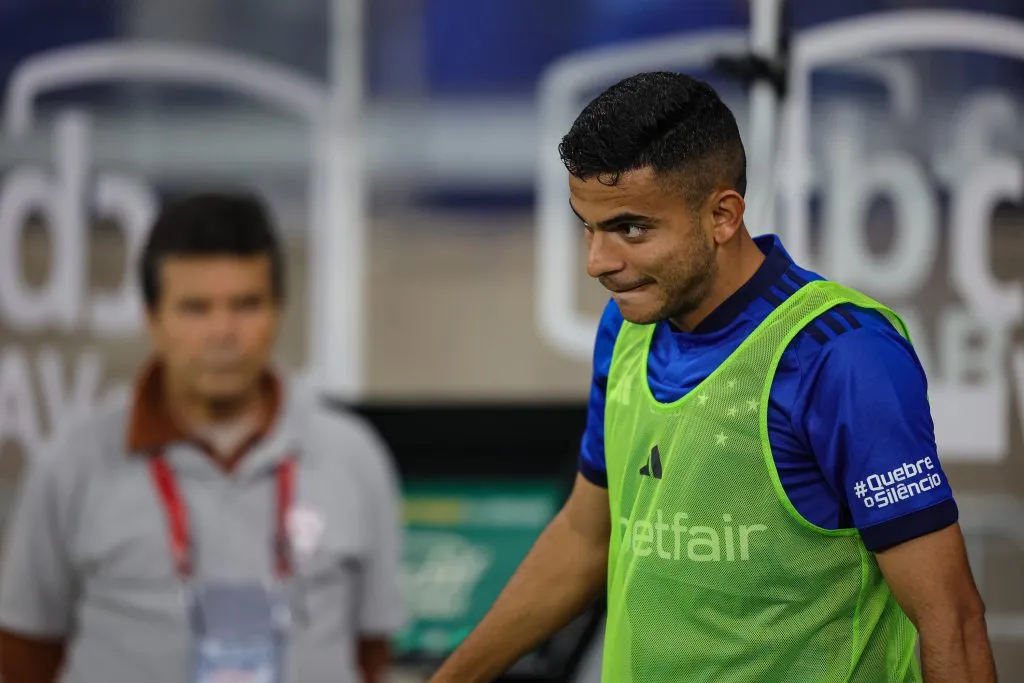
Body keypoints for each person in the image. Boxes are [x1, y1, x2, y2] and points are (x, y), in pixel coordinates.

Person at [428, 72, 997, 682]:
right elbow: (584, 540)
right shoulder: (626, 329)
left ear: (723, 216)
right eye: (587, 227)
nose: (597, 262)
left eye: (630, 228)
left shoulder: (841, 355)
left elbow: (951, 622)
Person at [0, 193, 407, 683]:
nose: (223, 332)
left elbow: (372, 652)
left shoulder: (353, 456)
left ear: (278, 310)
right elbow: (26, 655)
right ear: (153, 318)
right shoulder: (72, 464)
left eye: (246, 305)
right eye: (195, 308)